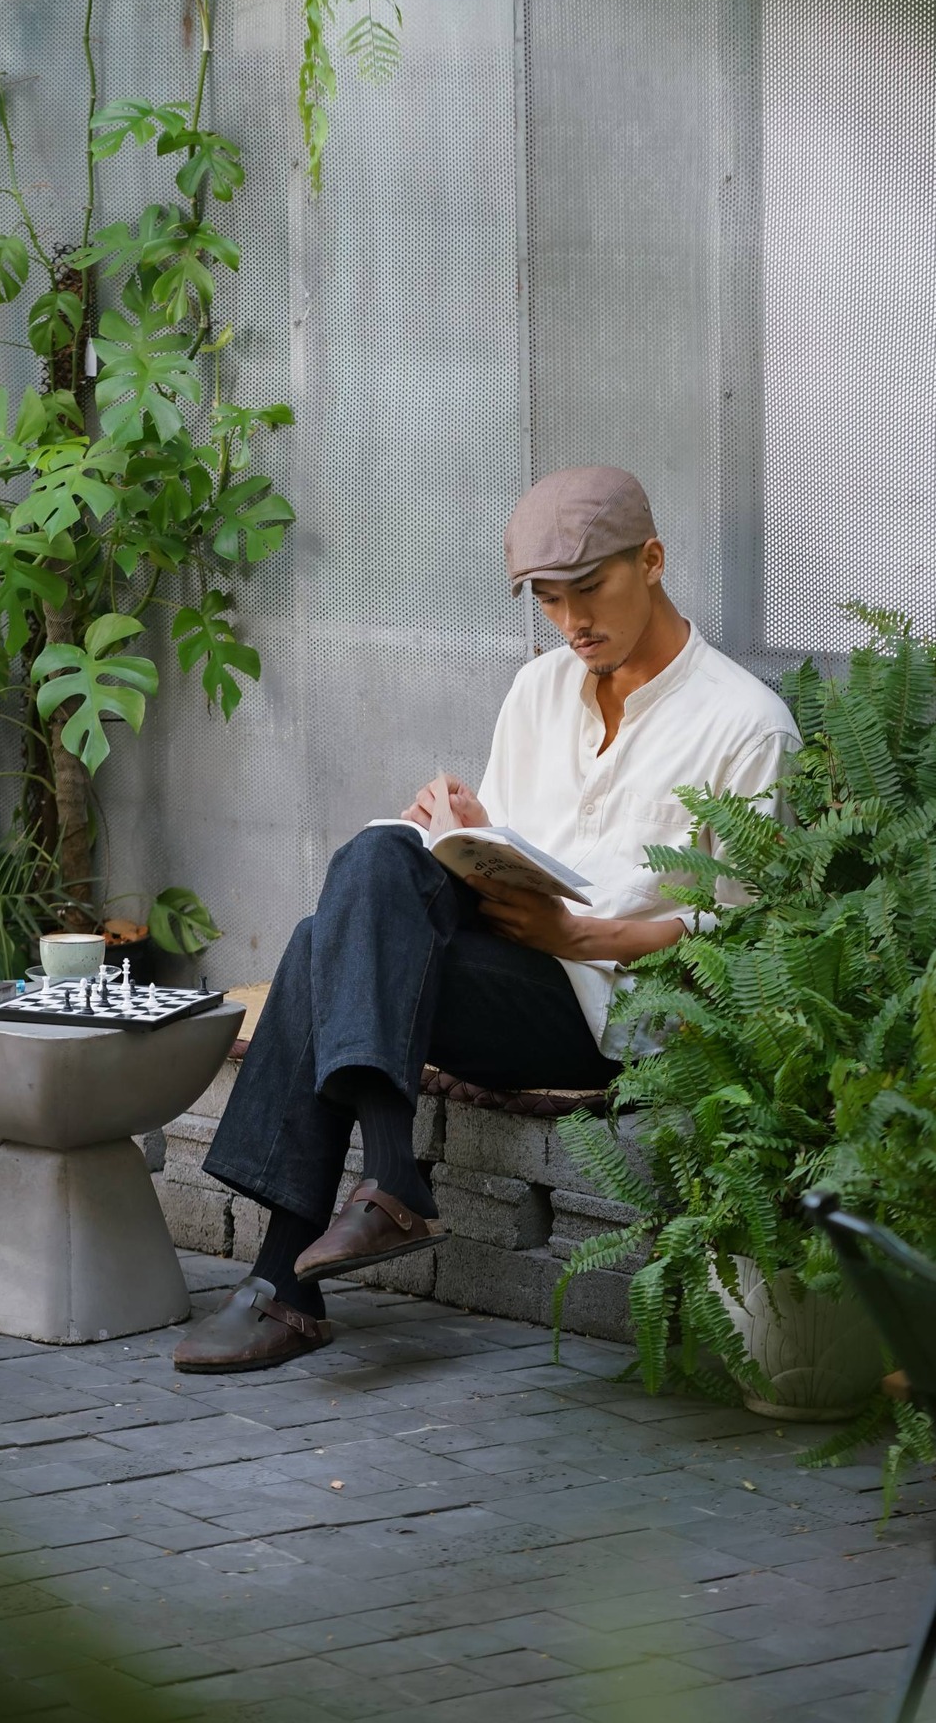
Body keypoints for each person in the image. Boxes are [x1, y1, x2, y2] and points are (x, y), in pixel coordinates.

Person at [172, 466, 800, 1375]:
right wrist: (464, 833)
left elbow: (746, 942)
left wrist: (578, 936)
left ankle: (286, 1277)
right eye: (548, 599)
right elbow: (511, 845)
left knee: (315, 948)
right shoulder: (538, 689)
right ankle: (386, 1184)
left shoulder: (747, 726)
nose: (572, 620)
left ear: (652, 561)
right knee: (379, 858)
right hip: (503, 967)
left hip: (609, 1013)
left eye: (589, 589)